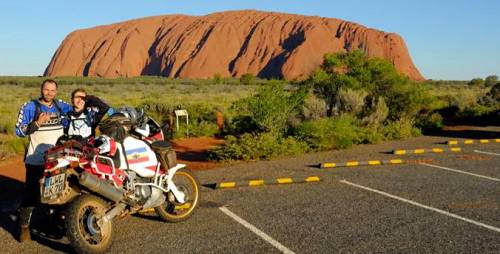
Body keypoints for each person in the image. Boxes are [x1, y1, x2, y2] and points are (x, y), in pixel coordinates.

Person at [15, 79, 72, 242]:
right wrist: (37, 123)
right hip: (36, 159)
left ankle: (52, 223)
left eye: (52, 90)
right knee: (31, 194)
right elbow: (19, 131)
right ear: (41, 89)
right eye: (46, 90)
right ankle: (24, 227)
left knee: (55, 192)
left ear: (56, 91)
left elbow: (77, 111)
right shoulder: (30, 107)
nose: (49, 93)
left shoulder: (61, 106)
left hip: (57, 160)